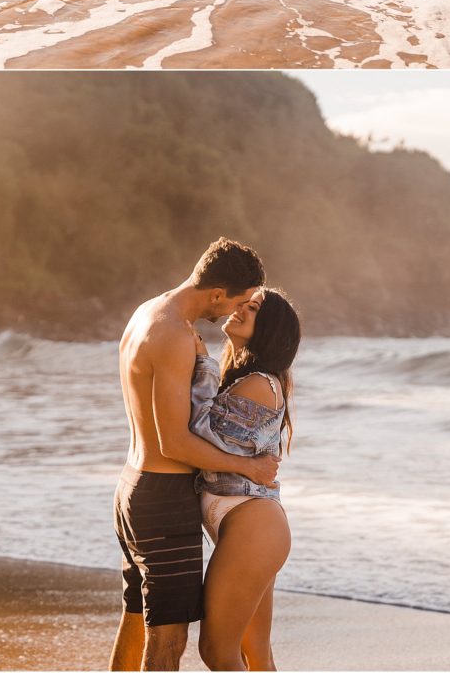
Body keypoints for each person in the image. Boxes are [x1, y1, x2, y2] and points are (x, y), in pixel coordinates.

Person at [111, 237, 276, 673]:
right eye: (236, 303)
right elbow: (175, 443)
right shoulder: (174, 335)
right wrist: (249, 466)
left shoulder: (147, 313)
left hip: (133, 483)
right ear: (217, 293)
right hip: (163, 497)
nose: (232, 313)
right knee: (168, 639)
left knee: (136, 621)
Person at [193, 287, 302, 673]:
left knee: (218, 653)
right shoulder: (246, 378)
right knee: (255, 655)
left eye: (252, 308)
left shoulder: (260, 384)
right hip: (251, 526)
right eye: (242, 303)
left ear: (268, 328)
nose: (239, 310)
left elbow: (198, 430)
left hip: (255, 528)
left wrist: (200, 361)